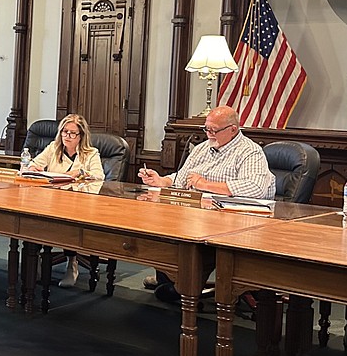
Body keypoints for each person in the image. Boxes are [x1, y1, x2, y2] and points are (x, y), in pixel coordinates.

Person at [137, 105, 274, 302]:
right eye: (206, 129)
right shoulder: (202, 148)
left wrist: (205, 184)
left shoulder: (250, 152)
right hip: (196, 215)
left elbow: (255, 187)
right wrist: (161, 181)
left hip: (232, 223)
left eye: (213, 130)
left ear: (233, 129)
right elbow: (182, 179)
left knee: (194, 240)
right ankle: (173, 280)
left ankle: (186, 287)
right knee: (162, 225)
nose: (208, 134)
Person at [25, 114, 105, 288]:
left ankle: (72, 263)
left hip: (79, 203)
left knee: (69, 225)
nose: (67, 136)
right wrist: (34, 167)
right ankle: (36, 260)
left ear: (81, 136)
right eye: (64, 132)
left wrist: (80, 173)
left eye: (72, 133)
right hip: (52, 201)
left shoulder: (91, 153)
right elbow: (33, 164)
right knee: (35, 220)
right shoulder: (53, 147)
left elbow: (99, 176)